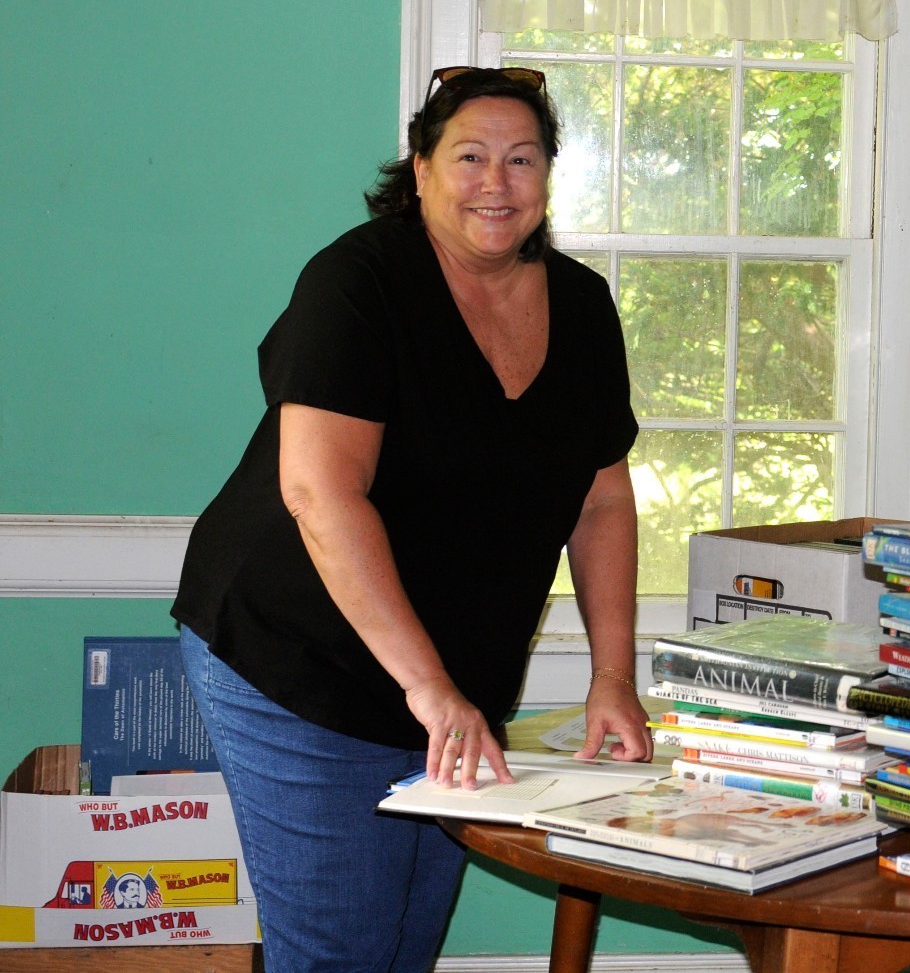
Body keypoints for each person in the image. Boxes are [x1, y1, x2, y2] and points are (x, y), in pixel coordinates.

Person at [172, 65, 652, 972]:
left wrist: (613, 675)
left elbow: (601, 499)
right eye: (469, 156)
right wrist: (428, 689)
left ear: (549, 176)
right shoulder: (358, 280)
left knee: (402, 947)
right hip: (301, 658)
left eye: (522, 158)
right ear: (421, 169)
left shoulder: (583, 307)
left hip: (455, 684)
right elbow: (321, 493)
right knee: (341, 950)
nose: (496, 181)